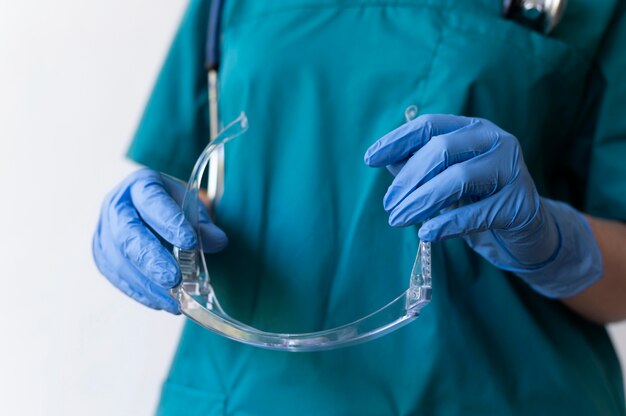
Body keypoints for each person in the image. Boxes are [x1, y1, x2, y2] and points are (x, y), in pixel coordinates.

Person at [93, 0, 626, 414]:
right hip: (246, 395)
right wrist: (158, 216)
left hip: (499, 392)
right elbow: (211, 176)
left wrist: (546, 238)